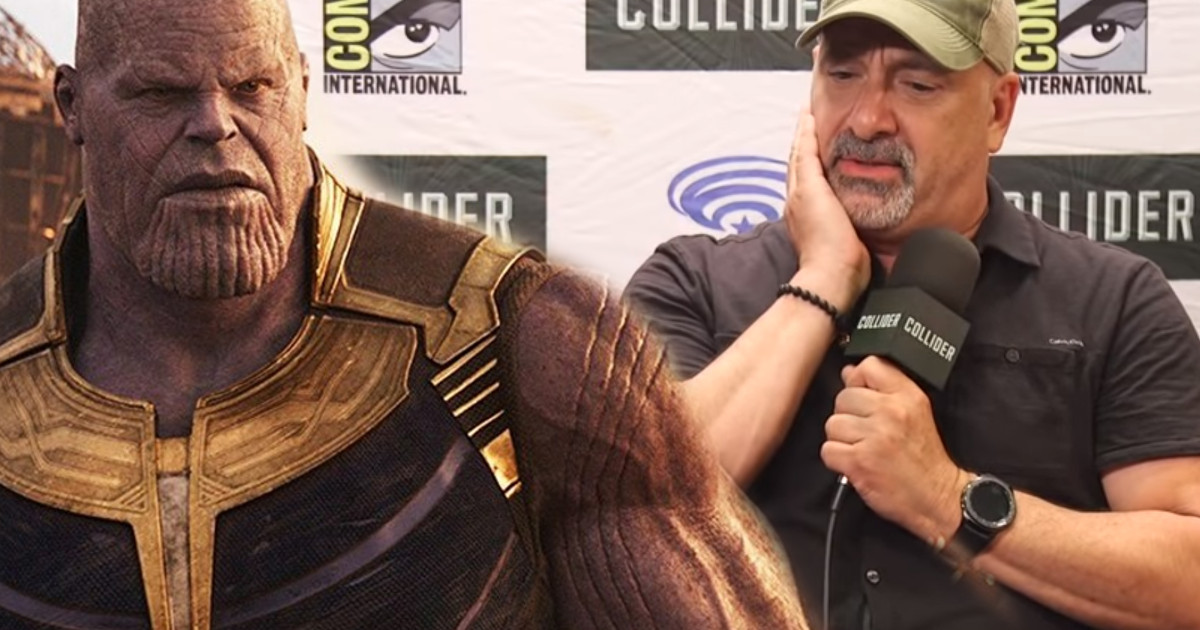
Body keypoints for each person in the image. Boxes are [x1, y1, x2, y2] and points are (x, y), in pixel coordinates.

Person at [0, 1, 809, 629]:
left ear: (302, 91)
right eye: (161, 92)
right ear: (72, 105)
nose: (215, 125)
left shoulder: (518, 340)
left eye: (253, 87)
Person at [623, 0, 1200, 629]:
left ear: (997, 111)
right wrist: (821, 282)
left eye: (918, 84)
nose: (867, 119)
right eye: (843, 74)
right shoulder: (694, 282)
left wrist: (948, 500)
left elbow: (1189, 577)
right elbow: (632, 511)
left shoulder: (1113, 300)